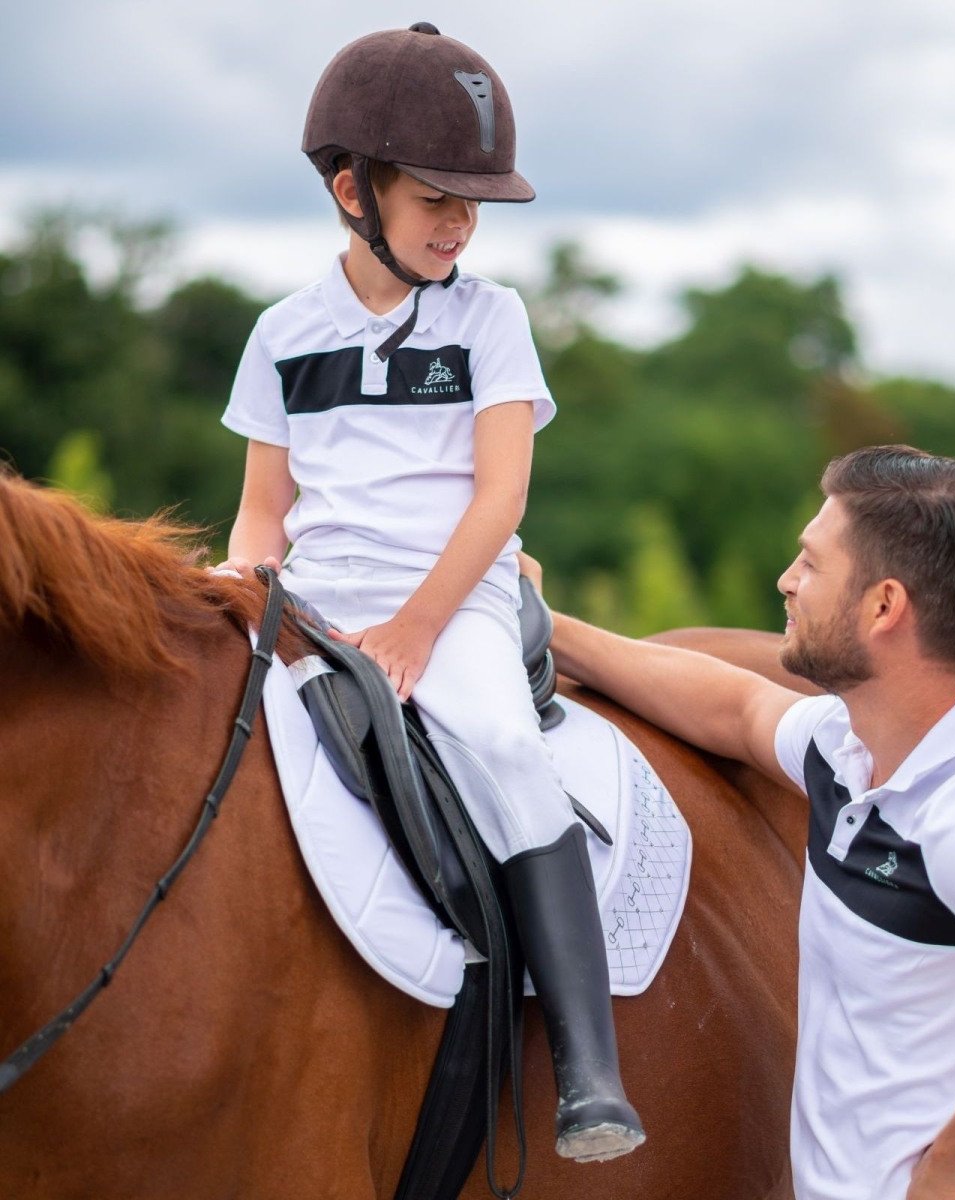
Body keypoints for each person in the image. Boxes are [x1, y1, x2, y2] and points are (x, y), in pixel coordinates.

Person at [216, 23, 643, 1163]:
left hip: (449, 604)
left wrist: (414, 629)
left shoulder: (490, 321)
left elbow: (500, 501)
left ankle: (592, 1075)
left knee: (503, 743)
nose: (459, 223)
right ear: (352, 190)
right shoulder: (282, 336)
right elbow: (263, 516)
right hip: (313, 607)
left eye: (475, 204)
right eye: (437, 196)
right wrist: (236, 593)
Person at [522, 445, 955, 1199]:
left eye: (811, 563)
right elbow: (735, 706)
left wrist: (948, 1171)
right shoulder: (848, 751)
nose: (787, 580)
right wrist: (545, 626)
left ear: (882, 606)